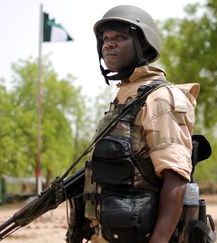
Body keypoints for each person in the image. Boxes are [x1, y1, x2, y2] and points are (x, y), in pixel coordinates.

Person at [81, 5, 200, 243]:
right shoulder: (127, 95)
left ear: (143, 45)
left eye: (119, 37)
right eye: (105, 39)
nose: (108, 44)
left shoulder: (160, 97)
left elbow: (175, 176)